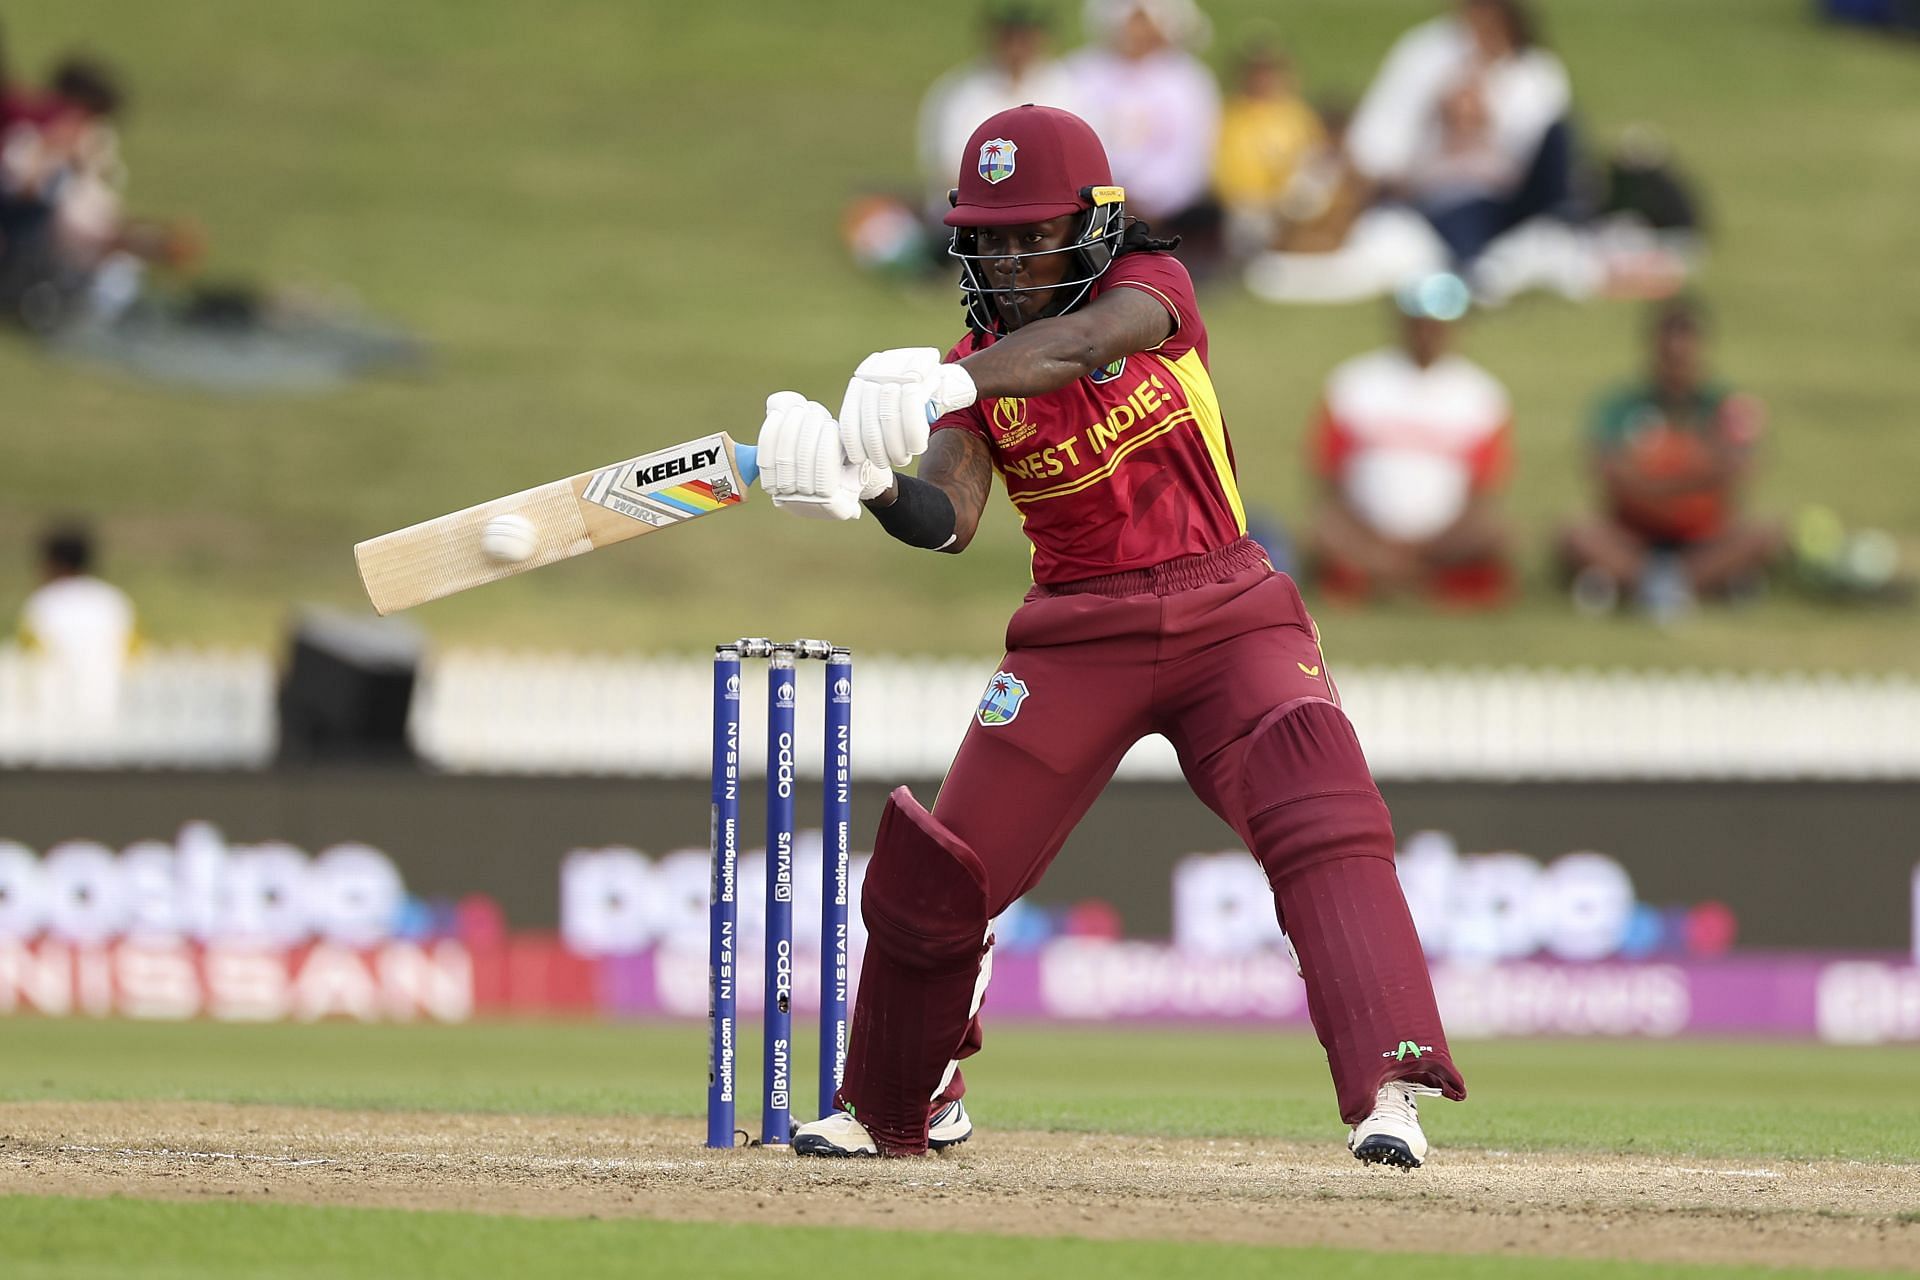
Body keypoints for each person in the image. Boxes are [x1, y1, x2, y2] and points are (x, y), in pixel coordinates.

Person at [755, 104, 1466, 1165]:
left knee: (1323, 810)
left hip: (1231, 613)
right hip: (1075, 637)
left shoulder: (1152, 291)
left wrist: (955, 378)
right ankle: (901, 1098)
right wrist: (868, 484)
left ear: (1094, 227)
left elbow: (1083, 343)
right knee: (941, 871)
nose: (1004, 258)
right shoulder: (976, 374)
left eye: (1029, 233)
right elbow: (948, 517)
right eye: (986, 238)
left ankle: (1386, 1092)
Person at [1558, 299, 1782, 618]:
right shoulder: (1621, 405)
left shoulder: (1725, 406)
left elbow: (1742, 467)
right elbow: (1607, 471)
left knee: (1765, 533)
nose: (1676, 363)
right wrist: (1694, 476)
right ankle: (1689, 584)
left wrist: (1655, 479)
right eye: (1668, 354)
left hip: (1704, 535)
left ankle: (1656, 585)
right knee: (1576, 533)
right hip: (1634, 533)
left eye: (1684, 354)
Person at [1304, 274, 1513, 608]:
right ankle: (1411, 578)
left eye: (1438, 324)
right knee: (1324, 530)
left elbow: (1483, 492)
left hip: (1445, 539)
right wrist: (1372, 540)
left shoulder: (1482, 395)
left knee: (1497, 532)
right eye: (1421, 323)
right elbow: (1331, 479)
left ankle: (1386, 577)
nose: (1429, 333)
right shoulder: (1353, 384)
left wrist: (1431, 544)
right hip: (1365, 530)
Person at [1346, 0, 1576, 269]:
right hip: (1447, 197)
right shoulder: (1426, 53)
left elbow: (1541, 154)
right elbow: (1378, 146)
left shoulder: (1535, 68)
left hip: (1513, 196)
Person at [1066, 0, 1222, 267]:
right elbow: (1074, 145)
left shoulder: (1190, 80)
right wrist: (1116, 194)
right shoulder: (1079, 74)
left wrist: (1154, 199)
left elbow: (1192, 158)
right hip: (1096, 203)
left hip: (1171, 209)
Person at [918, 4, 1082, 219]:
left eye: (1025, 39)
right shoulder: (961, 93)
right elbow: (949, 168)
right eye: (1009, 39)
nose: (1017, 48)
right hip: (976, 208)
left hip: (1054, 208)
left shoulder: (1067, 88)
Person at [1211, 37, 1327, 260]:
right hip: (1244, 205)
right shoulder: (1230, 116)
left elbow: (1315, 160)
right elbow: (1220, 169)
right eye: (1257, 72)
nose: (1263, 79)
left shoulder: (1297, 115)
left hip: (1289, 203)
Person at [17, 523, 138, 734]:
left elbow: (29, 656)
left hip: (52, 717)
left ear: (54, 563)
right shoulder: (114, 600)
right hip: (109, 712)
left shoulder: (42, 603)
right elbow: (134, 653)